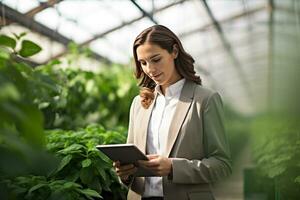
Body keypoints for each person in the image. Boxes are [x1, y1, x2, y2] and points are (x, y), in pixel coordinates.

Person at [113, 25, 232, 200]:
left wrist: (173, 167)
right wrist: (124, 173)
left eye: (156, 59)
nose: (150, 70)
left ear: (174, 51)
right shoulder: (139, 104)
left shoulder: (205, 99)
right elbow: (132, 162)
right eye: (143, 63)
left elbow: (222, 165)